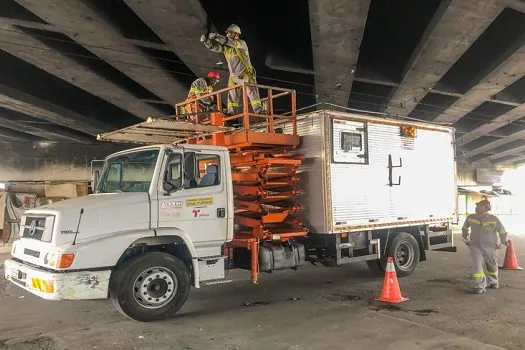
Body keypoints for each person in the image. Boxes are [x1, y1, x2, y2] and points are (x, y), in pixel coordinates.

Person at [200, 24, 264, 116]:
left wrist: (216, 36)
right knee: (232, 95)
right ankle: (231, 113)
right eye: (228, 33)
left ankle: (259, 110)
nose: (228, 35)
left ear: (236, 35)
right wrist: (206, 41)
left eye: (230, 33)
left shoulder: (241, 44)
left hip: (245, 73)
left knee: (252, 91)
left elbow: (229, 42)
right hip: (233, 76)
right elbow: (214, 47)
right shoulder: (227, 49)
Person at [462, 199, 508, 294]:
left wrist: (503, 242)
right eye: (477, 205)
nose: (477, 207)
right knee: (477, 266)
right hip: (475, 245)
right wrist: (465, 237)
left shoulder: (493, 219)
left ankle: (494, 282)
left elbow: (502, 231)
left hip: (490, 246)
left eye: (480, 206)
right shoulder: (471, 217)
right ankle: (480, 286)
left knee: (491, 266)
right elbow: (465, 227)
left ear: (486, 208)